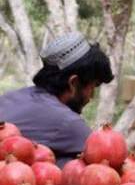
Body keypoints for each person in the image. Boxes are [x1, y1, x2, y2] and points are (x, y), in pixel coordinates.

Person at [0, 32, 113, 167]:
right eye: (93, 86)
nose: (92, 97)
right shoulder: (68, 122)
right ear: (73, 83)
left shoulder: (12, 96)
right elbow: (108, 161)